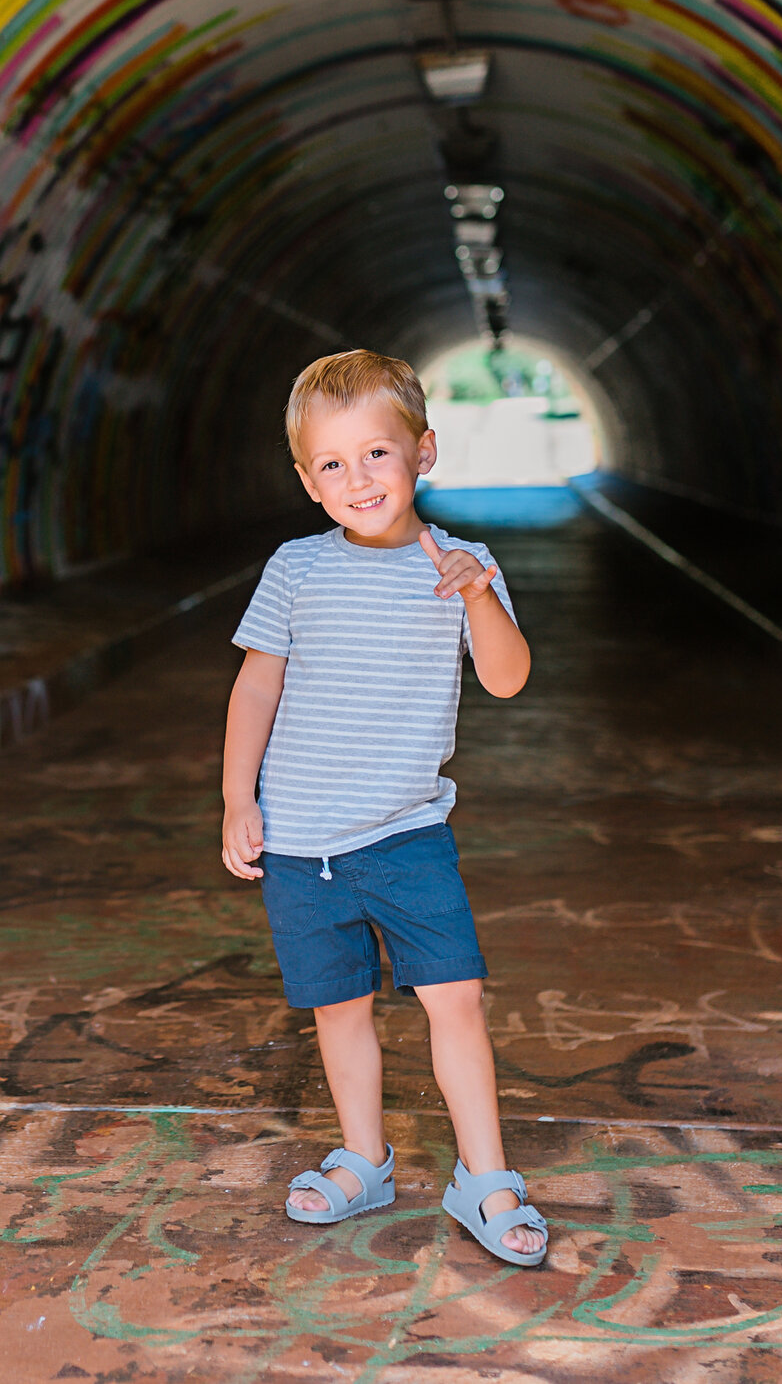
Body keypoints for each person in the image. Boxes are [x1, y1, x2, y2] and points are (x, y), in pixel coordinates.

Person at [220, 348, 546, 1266]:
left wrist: (480, 599)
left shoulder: (464, 564)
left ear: (424, 451)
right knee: (339, 1008)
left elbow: (508, 679)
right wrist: (236, 796)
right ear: (306, 480)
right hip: (300, 842)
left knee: (456, 998)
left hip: (407, 833)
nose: (358, 478)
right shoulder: (295, 568)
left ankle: (484, 1176)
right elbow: (256, 688)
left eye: (377, 453)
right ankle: (366, 1158)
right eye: (332, 463)